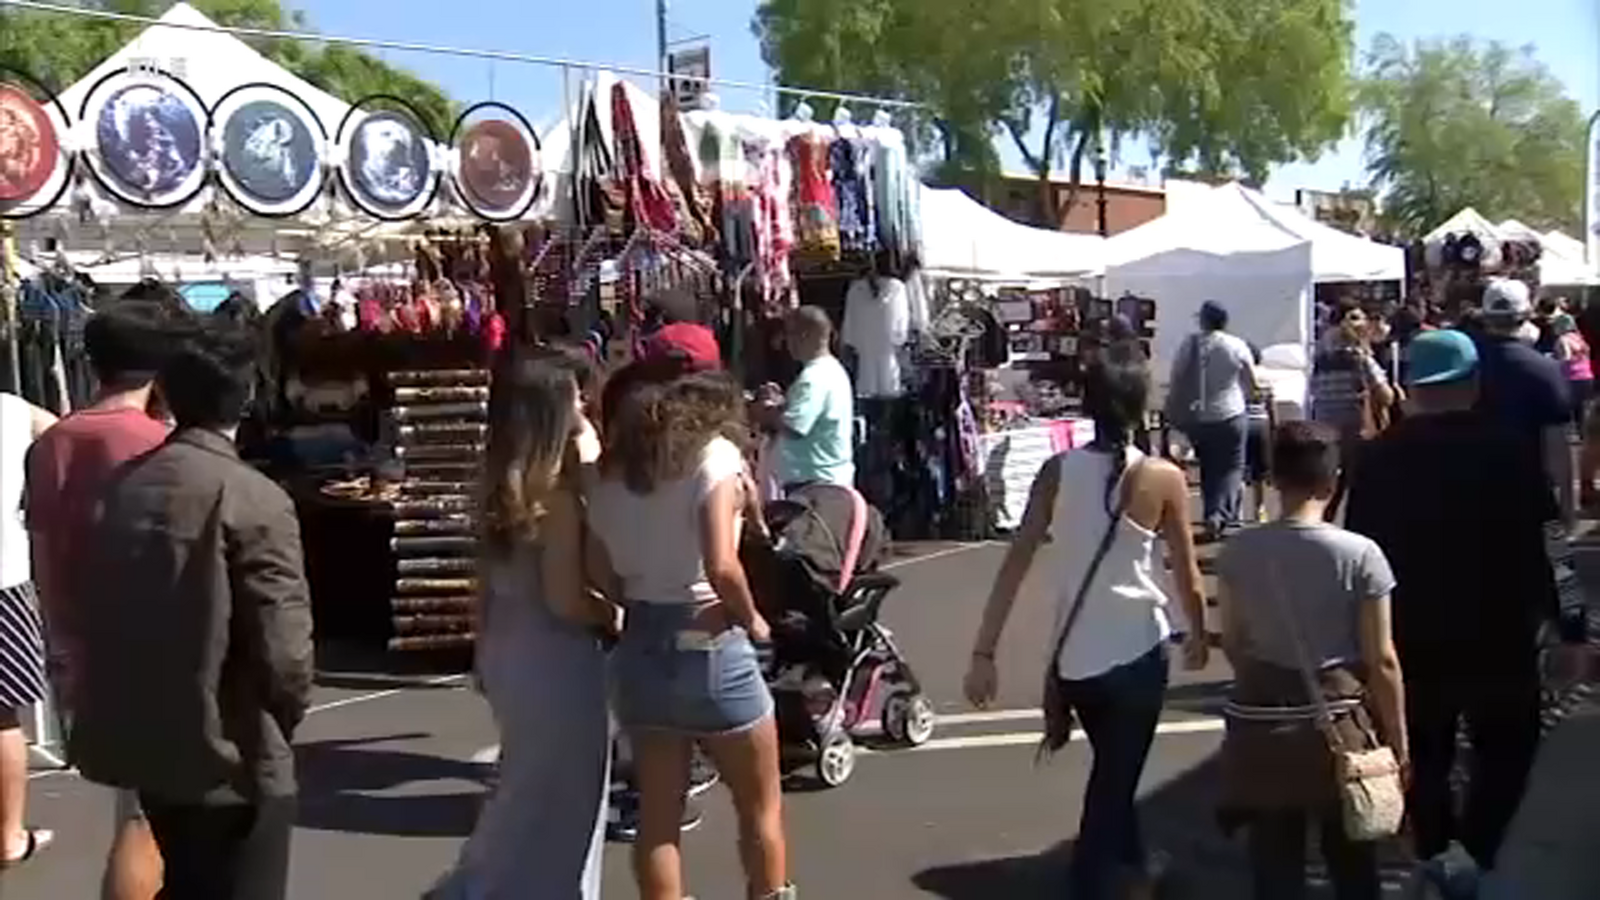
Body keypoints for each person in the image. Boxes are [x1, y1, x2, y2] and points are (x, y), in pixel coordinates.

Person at [68, 321, 313, 900]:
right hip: (231, 747)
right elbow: (285, 648)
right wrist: (284, 715)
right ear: (246, 398)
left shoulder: (126, 485)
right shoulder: (251, 496)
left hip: (152, 738)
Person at [1345, 330, 1588, 897]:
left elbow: (1359, 556)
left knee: (1423, 749)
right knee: (1508, 747)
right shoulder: (1511, 452)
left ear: (1411, 387)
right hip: (1499, 631)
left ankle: (1435, 849)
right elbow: (1554, 545)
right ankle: (1474, 850)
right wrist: (1571, 625)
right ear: (1475, 384)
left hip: (1411, 633)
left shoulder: (1379, 458)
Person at [966, 340, 1209, 900]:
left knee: (1114, 771)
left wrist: (985, 652)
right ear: (1141, 405)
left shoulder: (1055, 472)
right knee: (1114, 784)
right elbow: (1188, 575)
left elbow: (1015, 564)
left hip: (1075, 660)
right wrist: (1198, 632)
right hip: (1139, 652)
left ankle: (1134, 871)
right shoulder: (1164, 478)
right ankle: (1096, 880)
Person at [587, 371, 793, 900]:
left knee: (659, 818)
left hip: (642, 644)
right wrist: (755, 622)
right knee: (759, 806)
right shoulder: (714, 458)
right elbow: (722, 564)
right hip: (708, 636)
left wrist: (631, 595)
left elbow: (597, 566)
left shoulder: (607, 476)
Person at [427, 353, 614, 900]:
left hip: (508, 646)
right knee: (569, 796)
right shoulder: (557, 494)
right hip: (557, 659)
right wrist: (612, 615)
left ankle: (485, 883)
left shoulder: (498, 483)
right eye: (575, 396)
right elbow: (565, 599)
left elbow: (480, 586)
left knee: (523, 785)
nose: (583, 403)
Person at [23, 299, 182, 900]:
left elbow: (43, 548)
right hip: (158, 643)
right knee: (150, 817)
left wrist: (59, 636)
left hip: (82, 640)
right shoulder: (160, 442)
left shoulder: (55, 441)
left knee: (136, 805)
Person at [1214, 420, 1407, 900]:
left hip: (1265, 722)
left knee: (1275, 862)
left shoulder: (1239, 551)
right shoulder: (1361, 554)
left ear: (1275, 479)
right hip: (1339, 722)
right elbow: (1381, 659)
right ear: (1333, 478)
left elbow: (1235, 641)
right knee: (1353, 857)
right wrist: (1400, 743)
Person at [0, 391, 57, 868]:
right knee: (1, 717)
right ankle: (7, 835)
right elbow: (69, 440)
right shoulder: (10, 411)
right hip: (2, 579)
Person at [1473, 279, 1573, 526]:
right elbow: (1558, 448)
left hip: (1472, 495)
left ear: (1485, 315)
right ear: (1527, 314)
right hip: (1532, 498)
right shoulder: (1546, 369)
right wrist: (1568, 507)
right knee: (1556, 563)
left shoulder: (1465, 365)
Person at [1166, 301, 1258, 540]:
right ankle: (1220, 515)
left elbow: (1176, 377)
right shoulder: (1237, 344)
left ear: (1203, 320)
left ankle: (1211, 514)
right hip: (1231, 412)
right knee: (1231, 467)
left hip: (1199, 415)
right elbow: (1251, 381)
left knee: (1208, 467)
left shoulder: (1191, 343)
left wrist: (1175, 405)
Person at [1308, 300, 1395, 521]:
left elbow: (1314, 391)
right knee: (1358, 485)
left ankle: (1322, 523)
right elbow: (1386, 396)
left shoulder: (1320, 357)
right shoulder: (1357, 356)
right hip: (1356, 430)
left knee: (1331, 484)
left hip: (1325, 427)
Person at [757, 305, 855, 491]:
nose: (787, 341)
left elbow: (795, 426)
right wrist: (783, 404)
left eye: (792, 333)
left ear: (809, 335)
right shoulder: (832, 369)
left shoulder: (813, 378)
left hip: (815, 486)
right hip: (830, 480)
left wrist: (765, 410)